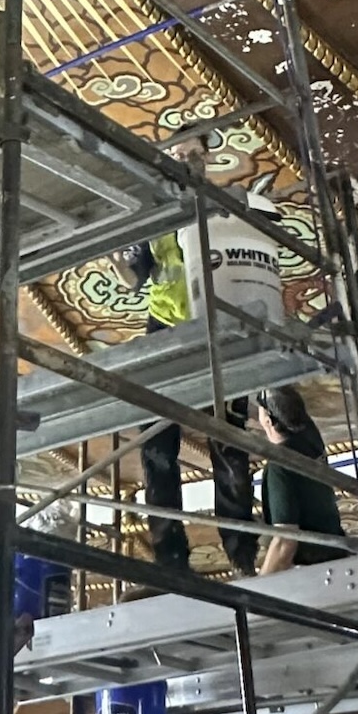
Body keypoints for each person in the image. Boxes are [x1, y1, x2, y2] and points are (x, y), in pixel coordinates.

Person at [119, 232, 258, 578]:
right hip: (164, 325)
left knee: (228, 441)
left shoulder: (215, 219)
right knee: (157, 449)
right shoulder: (152, 227)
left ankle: (242, 552)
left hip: (214, 318)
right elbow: (134, 280)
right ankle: (171, 559)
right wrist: (109, 254)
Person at [256, 385, 346, 574]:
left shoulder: (279, 467)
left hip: (313, 569)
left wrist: (260, 586)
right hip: (336, 554)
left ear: (268, 421)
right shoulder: (311, 441)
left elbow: (285, 543)